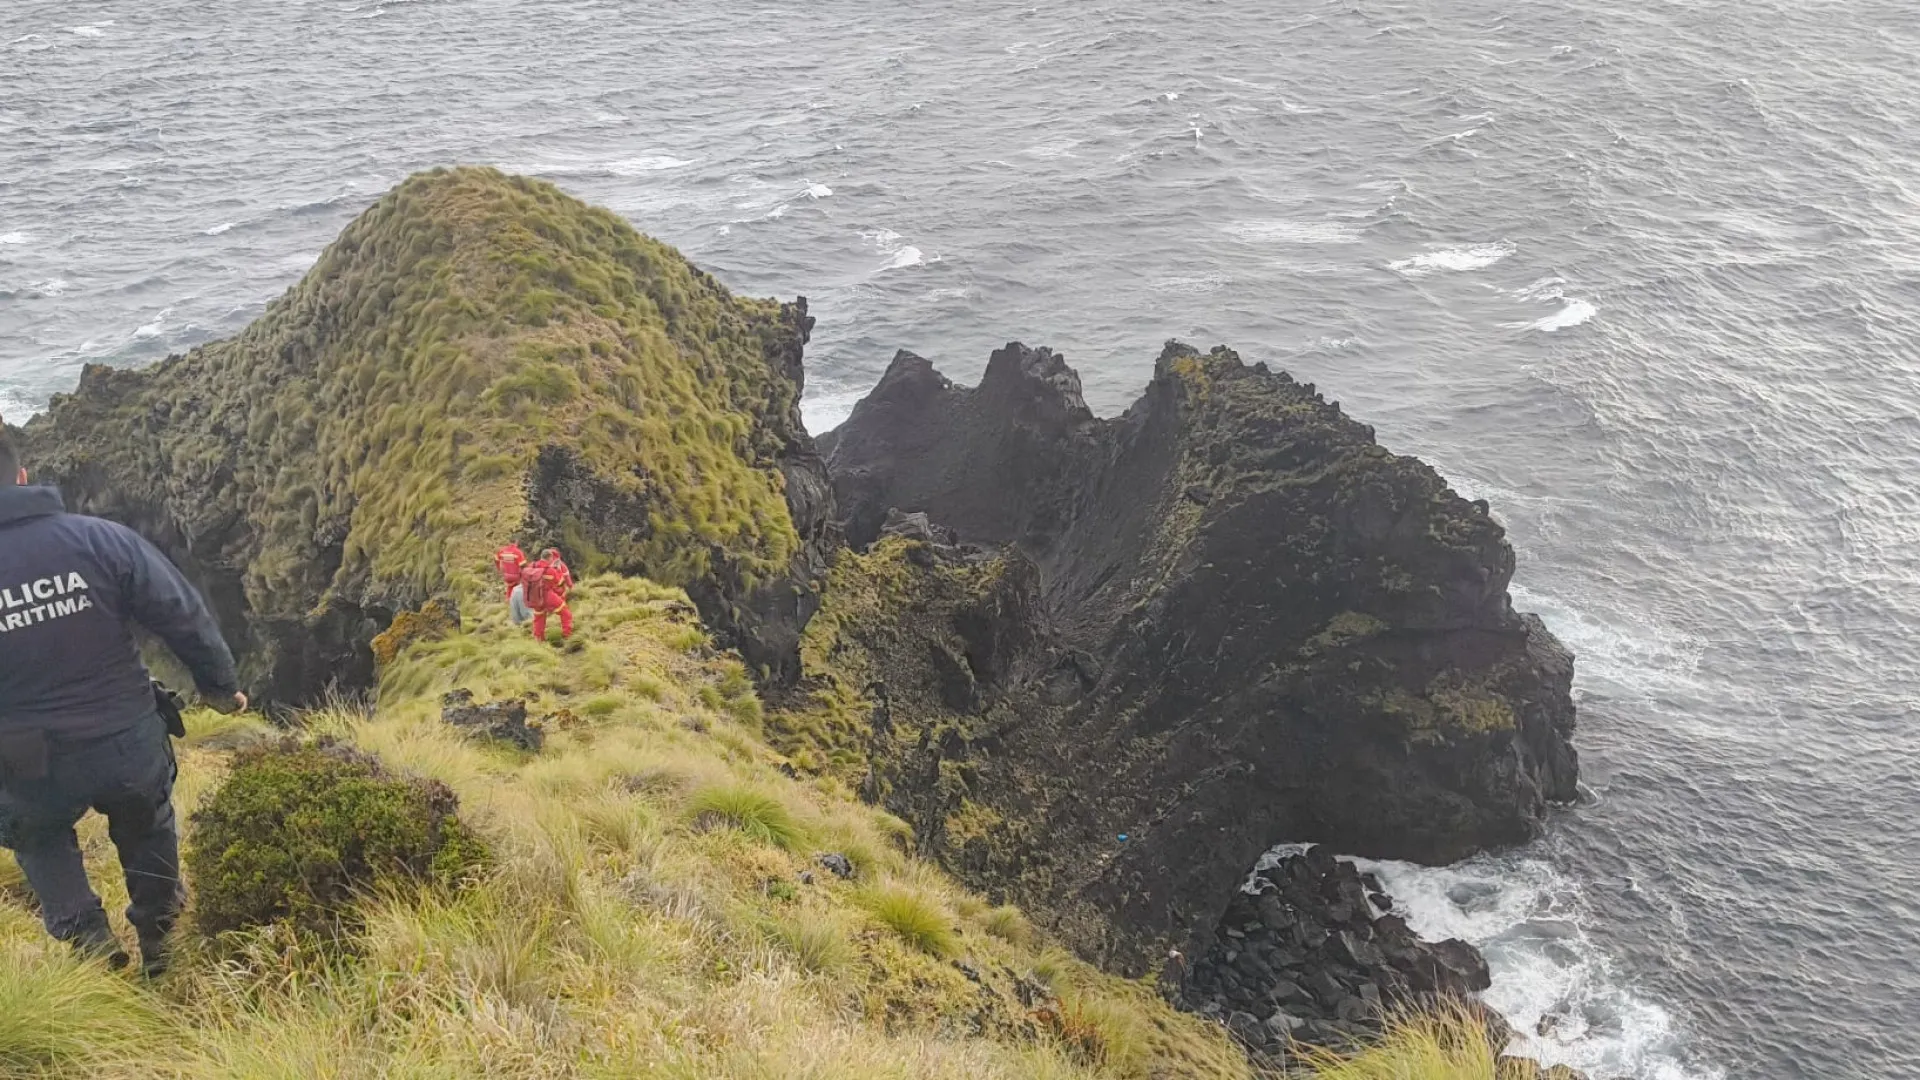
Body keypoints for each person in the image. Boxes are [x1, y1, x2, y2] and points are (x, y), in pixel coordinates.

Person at [0, 424, 246, 975]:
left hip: (21, 754)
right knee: (148, 825)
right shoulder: (99, 539)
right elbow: (181, 613)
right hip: (124, 732)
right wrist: (218, 685)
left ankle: (89, 941)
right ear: (21, 476)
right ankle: (161, 943)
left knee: (37, 837)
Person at [522, 547, 574, 642]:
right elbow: (559, 582)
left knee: (539, 618)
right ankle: (567, 635)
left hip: (535, 596)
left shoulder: (532, 566)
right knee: (566, 613)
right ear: (549, 558)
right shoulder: (549, 570)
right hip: (547, 596)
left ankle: (538, 639)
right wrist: (557, 570)